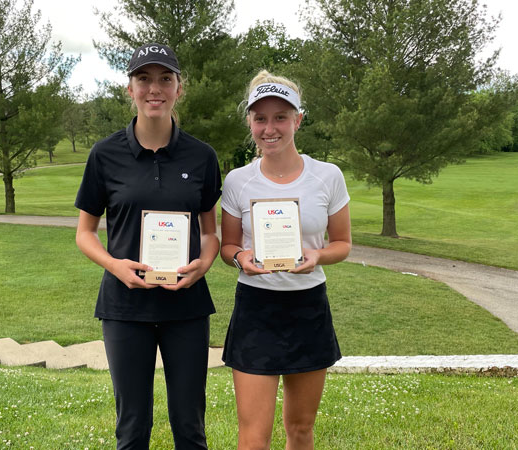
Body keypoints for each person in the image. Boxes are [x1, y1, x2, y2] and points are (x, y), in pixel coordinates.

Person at [74, 42, 221, 450]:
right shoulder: (104, 155)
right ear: (130, 89)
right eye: (144, 79)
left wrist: (204, 263)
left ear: (179, 89)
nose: (154, 88)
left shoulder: (202, 156)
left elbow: (210, 232)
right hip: (125, 307)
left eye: (165, 79)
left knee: (190, 426)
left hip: (186, 306)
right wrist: (115, 265)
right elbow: (85, 233)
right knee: (132, 426)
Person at [219, 70, 352, 450]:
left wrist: (319, 255)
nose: (270, 128)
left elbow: (342, 243)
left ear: (298, 119)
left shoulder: (327, 176)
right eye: (260, 118)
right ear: (250, 122)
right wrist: (241, 256)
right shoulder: (237, 181)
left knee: (301, 429)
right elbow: (228, 247)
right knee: (253, 438)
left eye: (280, 117)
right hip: (256, 310)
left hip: (308, 305)